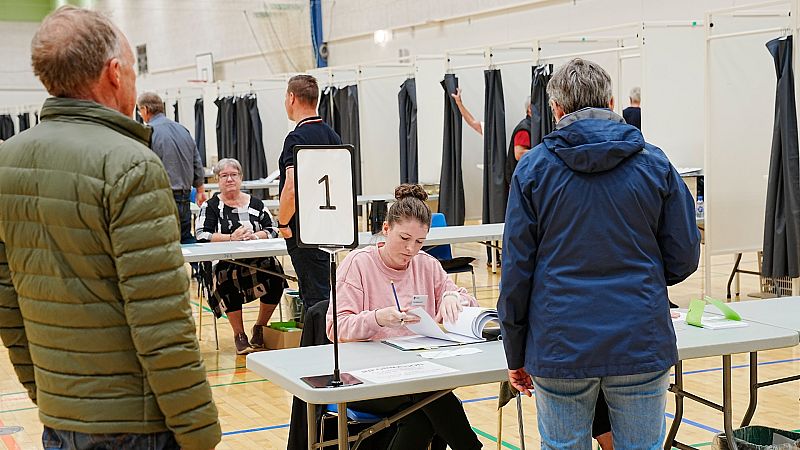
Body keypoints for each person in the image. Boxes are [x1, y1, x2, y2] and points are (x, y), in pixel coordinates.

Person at [0, 6, 220, 450]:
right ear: (115, 73)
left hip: (60, 421)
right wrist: (199, 431)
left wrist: (47, 395)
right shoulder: (131, 165)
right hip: (135, 428)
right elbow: (160, 320)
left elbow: (7, 306)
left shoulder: (6, 161)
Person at [498, 58, 700, 450]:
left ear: (556, 109)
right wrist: (644, 279)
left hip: (560, 343)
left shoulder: (534, 170)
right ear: (611, 101)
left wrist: (515, 350)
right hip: (639, 337)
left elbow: (516, 272)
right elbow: (684, 254)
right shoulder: (654, 163)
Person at [327, 184, 483, 450]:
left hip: (418, 371)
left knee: (422, 412)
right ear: (386, 229)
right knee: (432, 399)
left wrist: (453, 298)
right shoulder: (357, 264)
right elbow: (335, 328)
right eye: (404, 238)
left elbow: (468, 301)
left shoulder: (427, 264)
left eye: (420, 242)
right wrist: (376, 318)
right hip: (365, 377)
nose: (411, 249)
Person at [196, 158, 287, 355]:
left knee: (276, 274)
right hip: (225, 262)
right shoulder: (211, 207)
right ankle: (239, 335)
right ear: (218, 180)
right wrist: (230, 237)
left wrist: (255, 235)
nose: (229, 179)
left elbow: (272, 229)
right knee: (226, 276)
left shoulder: (255, 203)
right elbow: (202, 234)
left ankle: (260, 327)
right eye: (224, 176)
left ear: (241, 177)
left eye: (234, 175)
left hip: (256, 259)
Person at [278, 75, 342, 309]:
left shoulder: (296, 138)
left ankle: (320, 344)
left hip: (305, 229)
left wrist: (283, 222)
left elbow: (292, 188)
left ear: (292, 97)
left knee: (315, 300)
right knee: (324, 293)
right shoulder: (332, 136)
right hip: (330, 227)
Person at [137, 91, 207, 244]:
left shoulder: (148, 132)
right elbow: (197, 161)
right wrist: (200, 190)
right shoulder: (183, 130)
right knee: (186, 237)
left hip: (161, 197)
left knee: (161, 242)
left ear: (145, 109)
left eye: (139, 110)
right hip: (185, 196)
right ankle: (201, 267)